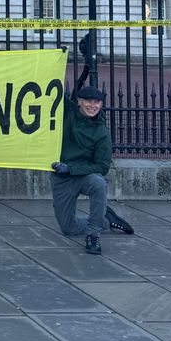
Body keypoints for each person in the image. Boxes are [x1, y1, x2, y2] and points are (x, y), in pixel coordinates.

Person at [51, 60, 134, 255]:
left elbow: (102, 166)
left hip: (83, 175)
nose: (92, 106)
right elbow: (51, 86)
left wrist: (71, 169)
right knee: (68, 228)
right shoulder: (68, 113)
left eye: (97, 102)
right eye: (88, 101)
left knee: (99, 183)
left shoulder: (102, 132)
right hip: (61, 177)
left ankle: (94, 235)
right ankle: (106, 220)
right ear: (79, 101)